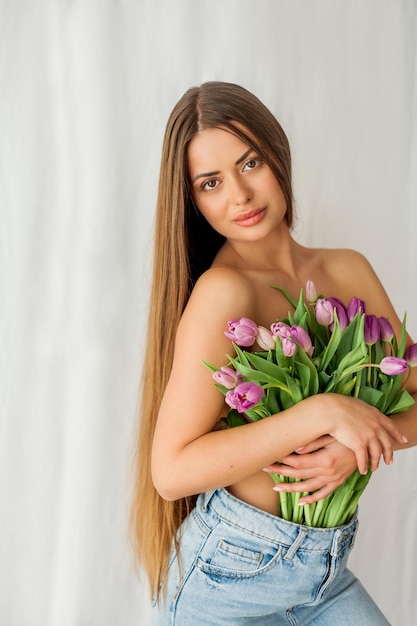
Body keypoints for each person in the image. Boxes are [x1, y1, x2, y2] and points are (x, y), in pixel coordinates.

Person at [131, 81, 417, 625]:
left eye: (251, 162)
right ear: (192, 200)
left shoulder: (347, 270)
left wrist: (354, 444)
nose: (238, 195)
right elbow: (170, 470)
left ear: (277, 156)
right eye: (210, 183)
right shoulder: (224, 293)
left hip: (322, 573)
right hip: (227, 577)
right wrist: (320, 413)